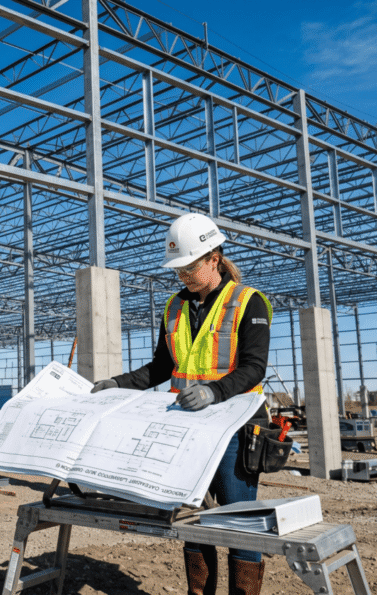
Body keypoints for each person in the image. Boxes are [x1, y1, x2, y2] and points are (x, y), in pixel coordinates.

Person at [91, 213, 272, 595]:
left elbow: (254, 367)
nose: (182, 275)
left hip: (235, 427)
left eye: (189, 267)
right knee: (190, 519)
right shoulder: (174, 307)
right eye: (178, 269)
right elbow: (161, 366)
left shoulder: (247, 302)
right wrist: (117, 384)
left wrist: (214, 391)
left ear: (214, 259)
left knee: (239, 523)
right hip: (188, 429)